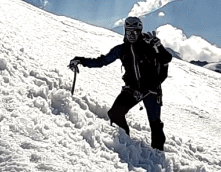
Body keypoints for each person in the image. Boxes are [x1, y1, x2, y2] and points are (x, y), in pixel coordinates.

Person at [70, 16, 172, 151]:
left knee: (155, 124)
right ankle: (125, 142)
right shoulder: (121, 49)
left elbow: (166, 59)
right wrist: (81, 60)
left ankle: (157, 152)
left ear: (140, 31)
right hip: (133, 89)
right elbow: (102, 61)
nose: (131, 35)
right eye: (128, 32)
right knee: (115, 113)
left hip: (151, 90)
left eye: (134, 32)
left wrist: (158, 45)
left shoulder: (149, 46)